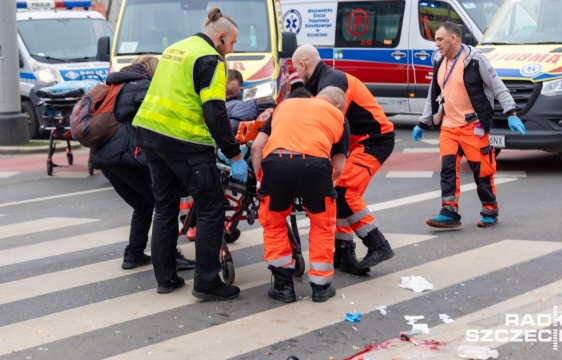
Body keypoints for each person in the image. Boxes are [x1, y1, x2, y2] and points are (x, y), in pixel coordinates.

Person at [132, 8, 246, 300]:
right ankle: (207, 283)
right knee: (210, 206)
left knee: (166, 206)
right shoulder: (210, 59)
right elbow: (215, 111)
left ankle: (166, 278)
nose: (231, 51)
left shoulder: (175, 48)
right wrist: (233, 154)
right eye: (231, 44)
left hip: (150, 132)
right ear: (220, 37)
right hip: (184, 140)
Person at [292, 45, 395, 276]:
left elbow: (324, 120)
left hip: (373, 141)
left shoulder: (332, 81)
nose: (297, 75)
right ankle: (345, 253)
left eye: (296, 69)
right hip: (362, 141)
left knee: (347, 191)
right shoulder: (324, 81)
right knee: (337, 191)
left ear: (302, 65)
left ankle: (378, 244)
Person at [412, 21, 526, 228]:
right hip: (448, 127)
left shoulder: (475, 60)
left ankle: (490, 209)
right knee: (447, 169)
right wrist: (423, 121)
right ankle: (449, 211)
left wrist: (511, 113)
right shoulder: (438, 59)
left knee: (482, 170)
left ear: (453, 38)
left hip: (473, 126)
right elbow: (433, 93)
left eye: (440, 39)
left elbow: (498, 87)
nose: (436, 44)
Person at [89, 55, 195, 272]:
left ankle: (134, 253)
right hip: (126, 155)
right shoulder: (142, 86)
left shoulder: (116, 85)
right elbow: (161, 116)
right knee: (165, 203)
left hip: (104, 155)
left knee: (143, 203)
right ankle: (169, 256)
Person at [251, 86, 350, 303]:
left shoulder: (284, 106)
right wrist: (326, 186)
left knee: (274, 223)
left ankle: (283, 288)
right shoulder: (337, 116)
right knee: (322, 225)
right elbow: (339, 167)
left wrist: (261, 180)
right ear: (338, 106)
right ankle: (321, 288)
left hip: (276, 163)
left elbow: (257, 147)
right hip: (316, 166)